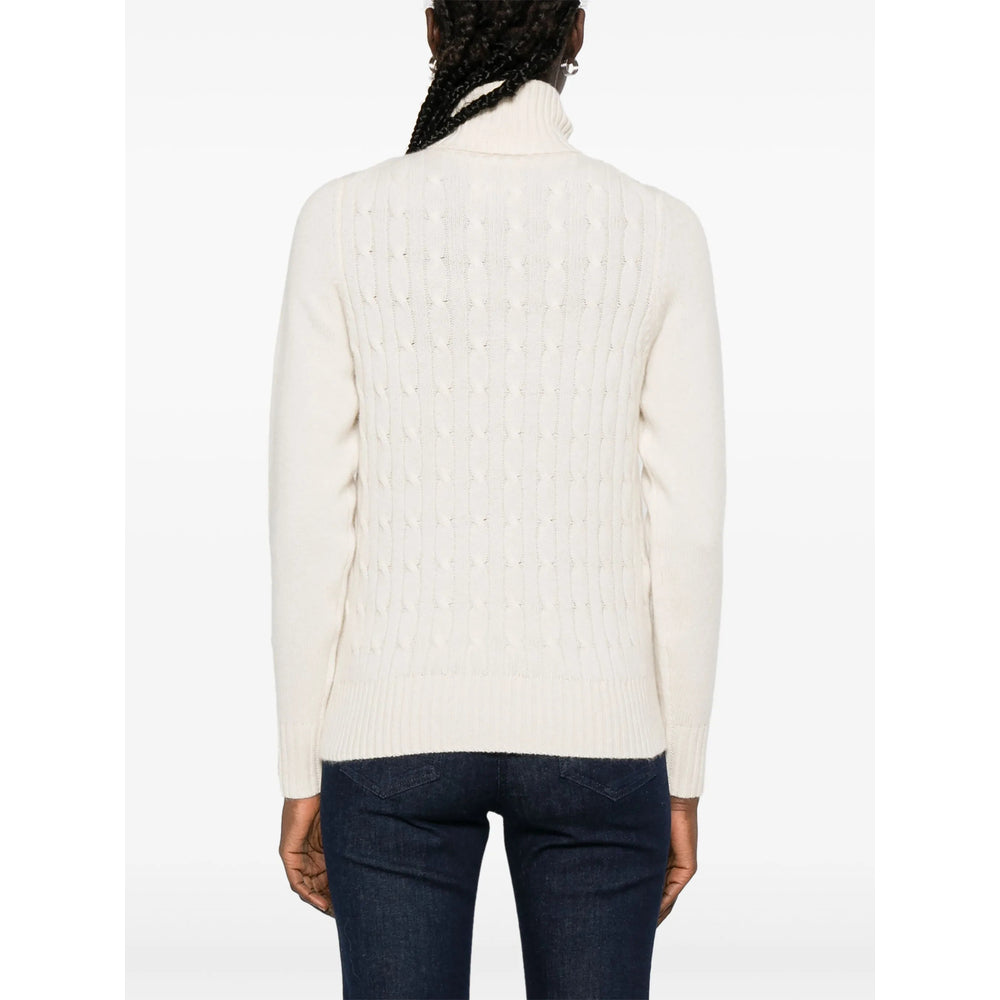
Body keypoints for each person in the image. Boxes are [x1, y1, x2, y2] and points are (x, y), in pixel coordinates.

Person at [267, 1, 726, 996]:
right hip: (602, 738)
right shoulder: (660, 231)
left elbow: (311, 521)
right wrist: (682, 777)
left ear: (433, 30)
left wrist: (302, 766)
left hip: (389, 740)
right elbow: (685, 530)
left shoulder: (341, 220)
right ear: (577, 33)